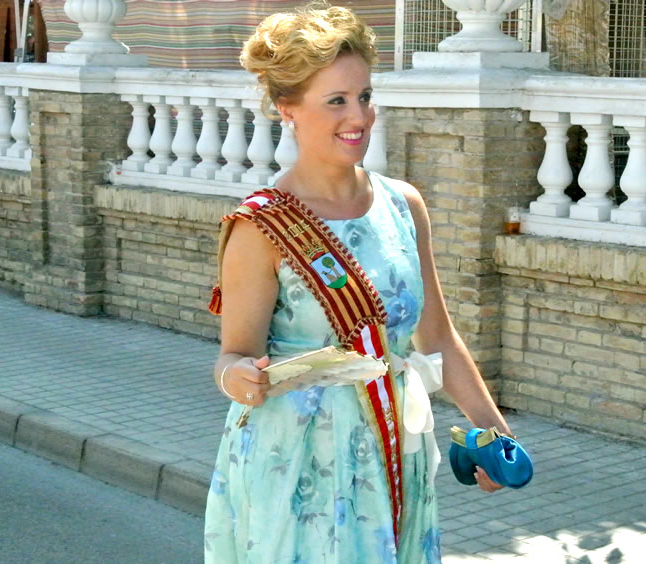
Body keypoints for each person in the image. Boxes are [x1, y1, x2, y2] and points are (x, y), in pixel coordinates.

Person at [203, 3, 513, 562]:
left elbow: (437, 338)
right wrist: (239, 378)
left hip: (394, 446)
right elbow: (233, 356)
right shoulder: (262, 227)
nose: (360, 117)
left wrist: (494, 434)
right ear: (287, 108)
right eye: (337, 100)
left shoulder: (403, 204)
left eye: (364, 96)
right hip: (299, 463)